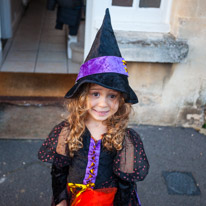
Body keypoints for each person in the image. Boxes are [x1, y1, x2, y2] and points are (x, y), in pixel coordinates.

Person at [38, 9, 149, 206]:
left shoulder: (125, 137)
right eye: (95, 93)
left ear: (120, 100)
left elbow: (126, 184)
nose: (103, 103)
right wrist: (61, 199)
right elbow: (59, 171)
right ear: (82, 96)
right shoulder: (67, 131)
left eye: (112, 95)